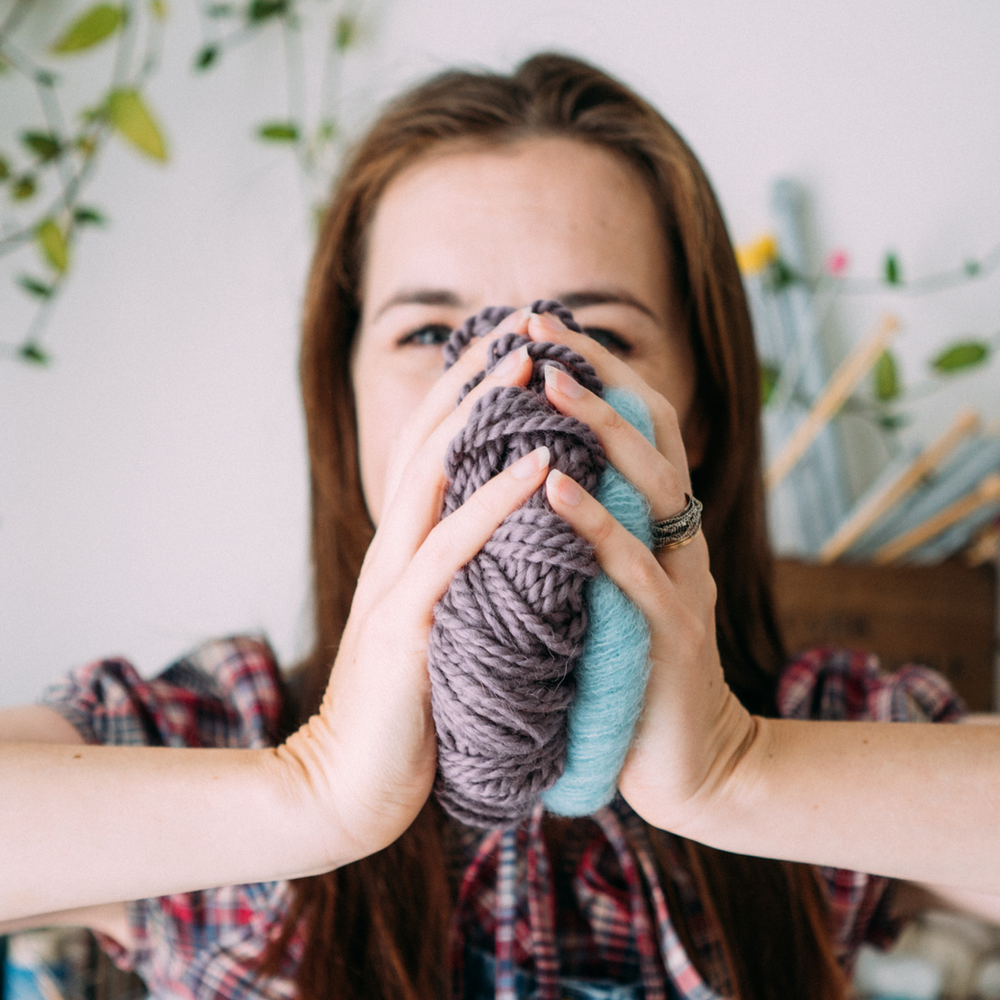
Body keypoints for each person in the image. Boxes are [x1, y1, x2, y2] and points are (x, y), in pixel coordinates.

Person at [2, 51, 999, 1000]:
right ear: (341, 399)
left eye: (597, 336)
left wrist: (742, 770)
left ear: (691, 410)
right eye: (430, 334)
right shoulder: (219, 731)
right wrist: (307, 790)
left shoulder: (816, 722)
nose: (501, 393)